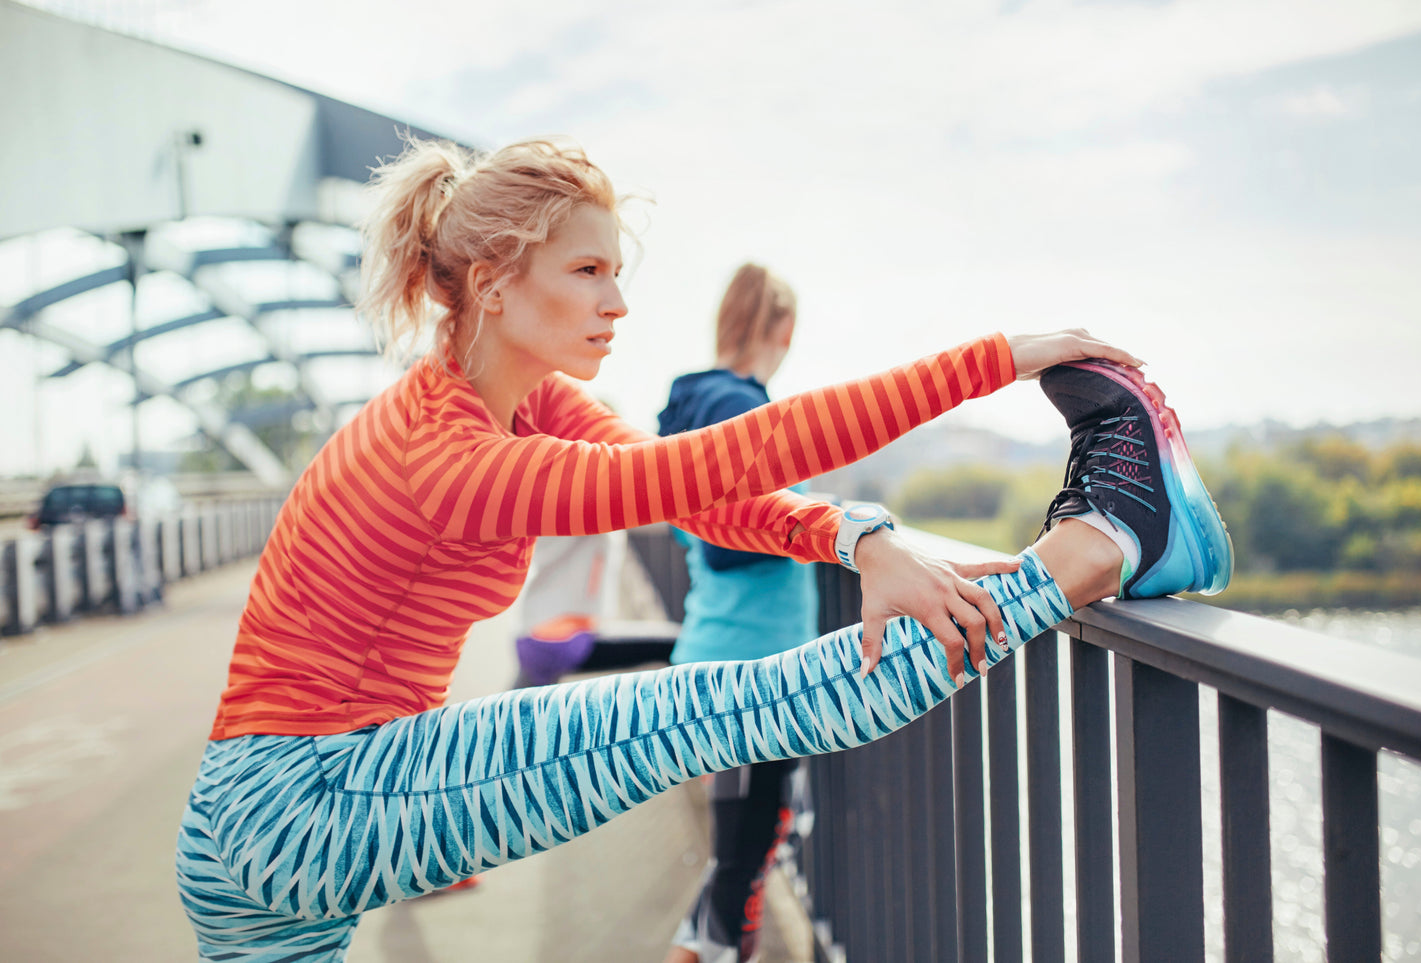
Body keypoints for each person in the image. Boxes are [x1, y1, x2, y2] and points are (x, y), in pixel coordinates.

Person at [174, 134, 1232, 961]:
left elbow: (706, 500)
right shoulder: (440, 451)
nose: (617, 302)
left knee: (726, 704)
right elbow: (693, 468)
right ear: (495, 279)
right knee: (733, 706)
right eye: (588, 270)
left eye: (616, 271)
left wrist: (852, 535)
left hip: (253, 819)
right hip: (300, 799)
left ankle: (1105, 541)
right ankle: (1098, 546)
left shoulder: (527, 402)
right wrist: (997, 357)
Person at [655, 263, 819, 963]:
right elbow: (729, 543)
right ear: (780, 328)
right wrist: (827, 526)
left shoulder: (688, 405)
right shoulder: (738, 405)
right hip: (758, 675)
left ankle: (692, 948)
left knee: (749, 843)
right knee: (752, 850)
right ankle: (699, 951)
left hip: (716, 657)